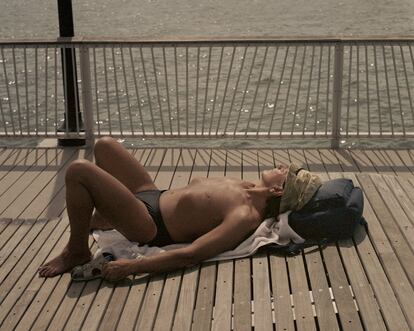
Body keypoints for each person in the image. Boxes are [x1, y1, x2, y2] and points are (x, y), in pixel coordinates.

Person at [38, 137, 320, 282]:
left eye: (286, 172)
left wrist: (134, 267)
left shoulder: (244, 216)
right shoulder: (245, 184)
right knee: (105, 146)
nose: (282, 167)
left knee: (78, 171)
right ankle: (107, 212)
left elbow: (193, 254)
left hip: (149, 223)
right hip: (151, 194)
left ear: (278, 191)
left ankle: (77, 249)